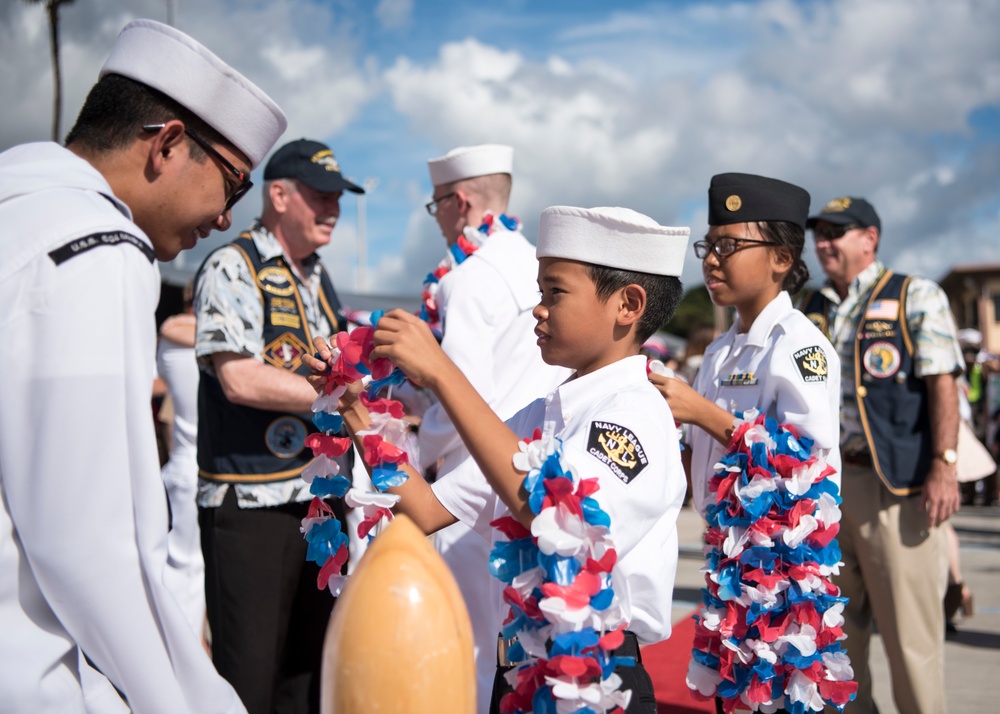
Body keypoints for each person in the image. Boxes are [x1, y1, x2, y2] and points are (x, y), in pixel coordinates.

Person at [0, 18, 285, 713]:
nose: (224, 221)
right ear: (167, 145)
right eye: (235, 185)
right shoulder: (97, 246)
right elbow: (94, 545)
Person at [307, 205, 691, 714]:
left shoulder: (635, 412)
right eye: (539, 293)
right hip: (523, 673)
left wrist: (443, 372)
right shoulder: (540, 413)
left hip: (595, 681)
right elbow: (425, 510)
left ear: (628, 304)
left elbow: (557, 517)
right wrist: (355, 411)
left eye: (555, 292)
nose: (539, 309)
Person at [650, 173, 845, 713]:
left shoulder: (800, 346)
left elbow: (807, 465)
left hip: (783, 573)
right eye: (708, 246)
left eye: (730, 245)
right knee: (736, 699)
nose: (712, 259)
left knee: (779, 700)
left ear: (782, 258)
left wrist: (705, 414)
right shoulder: (722, 352)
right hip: (729, 557)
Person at [194, 138, 362, 714]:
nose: (333, 210)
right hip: (252, 503)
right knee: (248, 681)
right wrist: (339, 404)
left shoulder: (318, 276)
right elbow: (238, 377)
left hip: (317, 502)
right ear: (280, 195)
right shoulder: (231, 264)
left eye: (338, 198)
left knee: (306, 678)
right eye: (321, 197)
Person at [414, 144, 570, 711]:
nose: (436, 220)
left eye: (435, 207)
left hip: (470, 488)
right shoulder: (535, 265)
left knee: (469, 653)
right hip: (530, 481)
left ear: (458, 202)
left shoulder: (469, 278)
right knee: (514, 648)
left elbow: (459, 392)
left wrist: (417, 449)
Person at [801, 195, 963, 714]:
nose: (823, 242)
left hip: (897, 485)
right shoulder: (814, 307)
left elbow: (941, 383)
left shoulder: (916, 295)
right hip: (828, 488)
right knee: (834, 638)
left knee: (911, 642)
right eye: (820, 233)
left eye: (836, 232)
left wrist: (945, 465)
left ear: (869, 238)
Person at [157, 282, 206, 642]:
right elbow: (172, 326)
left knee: (189, 571)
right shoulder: (183, 330)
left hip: (186, 467)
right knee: (186, 571)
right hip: (191, 469)